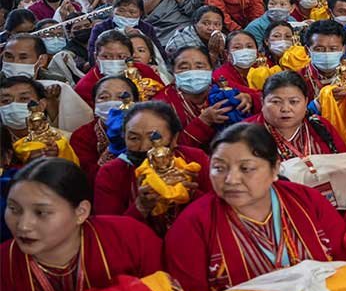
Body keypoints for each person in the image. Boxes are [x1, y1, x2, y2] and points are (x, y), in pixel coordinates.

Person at [165, 123, 346, 291]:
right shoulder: (192, 225)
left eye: (246, 168)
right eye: (219, 168)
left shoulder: (307, 201)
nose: (231, 179)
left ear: (275, 168)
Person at [0, 158, 162, 291]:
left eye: (41, 212)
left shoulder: (129, 238)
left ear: (81, 212)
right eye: (14, 209)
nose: (23, 225)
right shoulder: (4, 263)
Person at [93, 101, 212, 235]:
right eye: (133, 138)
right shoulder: (111, 173)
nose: (144, 147)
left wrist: (193, 195)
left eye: (154, 139)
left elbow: (219, 211)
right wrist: (141, 207)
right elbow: (108, 232)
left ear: (174, 139)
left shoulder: (194, 160)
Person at [154, 46, 252, 149]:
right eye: (184, 68)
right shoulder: (162, 103)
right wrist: (203, 122)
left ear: (211, 69)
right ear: (173, 73)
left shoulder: (220, 85)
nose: (193, 72)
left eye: (200, 66)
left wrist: (248, 99)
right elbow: (165, 147)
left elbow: (261, 97)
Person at [244, 71, 346, 155]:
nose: (285, 109)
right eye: (276, 102)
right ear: (262, 102)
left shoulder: (320, 125)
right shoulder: (245, 134)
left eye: (293, 102)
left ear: (306, 102)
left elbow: (344, 163)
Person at [70, 76, 139, 187]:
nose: (113, 102)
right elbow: (86, 179)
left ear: (136, 102)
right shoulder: (81, 136)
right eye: (104, 97)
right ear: (94, 104)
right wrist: (113, 148)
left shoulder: (147, 129)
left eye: (122, 97)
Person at [73, 30, 164, 106]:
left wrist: (155, 96)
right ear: (96, 57)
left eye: (121, 56)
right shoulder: (84, 88)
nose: (114, 61)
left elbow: (166, 96)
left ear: (130, 57)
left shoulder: (144, 70)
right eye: (106, 56)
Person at [87, 0, 164, 64]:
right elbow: (92, 55)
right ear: (113, 10)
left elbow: (158, 52)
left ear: (140, 13)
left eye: (132, 12)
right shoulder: (101, 28)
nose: (126, 15)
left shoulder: (146, 28)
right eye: (121, 11)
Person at [298, 19, 346, 99]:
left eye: (333, 49)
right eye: (319, 49)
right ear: (307, 51)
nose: (327, 53)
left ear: (343, 49)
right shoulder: (298, 78)